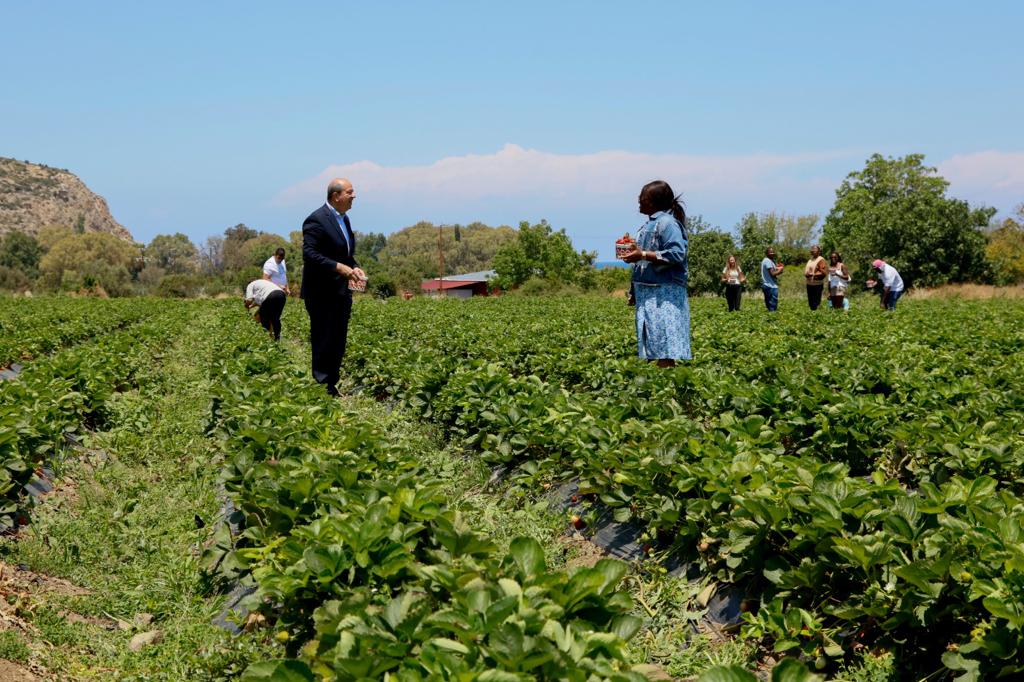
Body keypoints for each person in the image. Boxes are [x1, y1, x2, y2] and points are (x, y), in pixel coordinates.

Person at [301, 178, 366, 396]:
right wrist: (339, 268)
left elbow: (345, 255)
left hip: (341, 291)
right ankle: (321, 387)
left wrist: (354, 268)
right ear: (335, 196)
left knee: (338, 337)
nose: (354, 196)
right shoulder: (316, 220)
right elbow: (309, 255)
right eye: (350, 192)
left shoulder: (344, 220)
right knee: (323, 337)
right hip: (320, 291)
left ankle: (331, 384)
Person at [621, 180, 690, 367]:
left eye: (642, 198)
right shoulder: (648, 225)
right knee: (652, 341)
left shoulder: (667, 224)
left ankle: (667, 387)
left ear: (654, 201)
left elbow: (677, 253)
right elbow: (641, 263)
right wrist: (633, 291)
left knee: (665, 345)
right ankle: (657, 387)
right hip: (648, 291)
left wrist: (642, 254)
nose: (639, 201)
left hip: (665, 292)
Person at [804, 245, 828, 310]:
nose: (813, 250)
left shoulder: (821, 260)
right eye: (812, 249)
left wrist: (813, 275)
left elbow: (823, 273)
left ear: (819, 251)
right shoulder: (810, 260)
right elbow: (807, 271)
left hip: (817, 285)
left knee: (816, 302)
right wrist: (807, 274)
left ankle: (817, 316)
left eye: (815, 249)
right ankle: (813, 315)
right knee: (811, 302)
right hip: (809, 284)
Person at [760, 247, 784, 312]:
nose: (772, 253)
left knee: (769, 305)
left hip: (767, 285)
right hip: (770, 286)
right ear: (767, 253)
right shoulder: (767, 261)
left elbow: (773, 269)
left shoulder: (769, 261)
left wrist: (778, 268)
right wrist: (781, 270)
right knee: (773, 305)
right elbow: (772, 274)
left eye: (773, 252)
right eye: (770, 252)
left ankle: (770, 318)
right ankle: (772, 318)